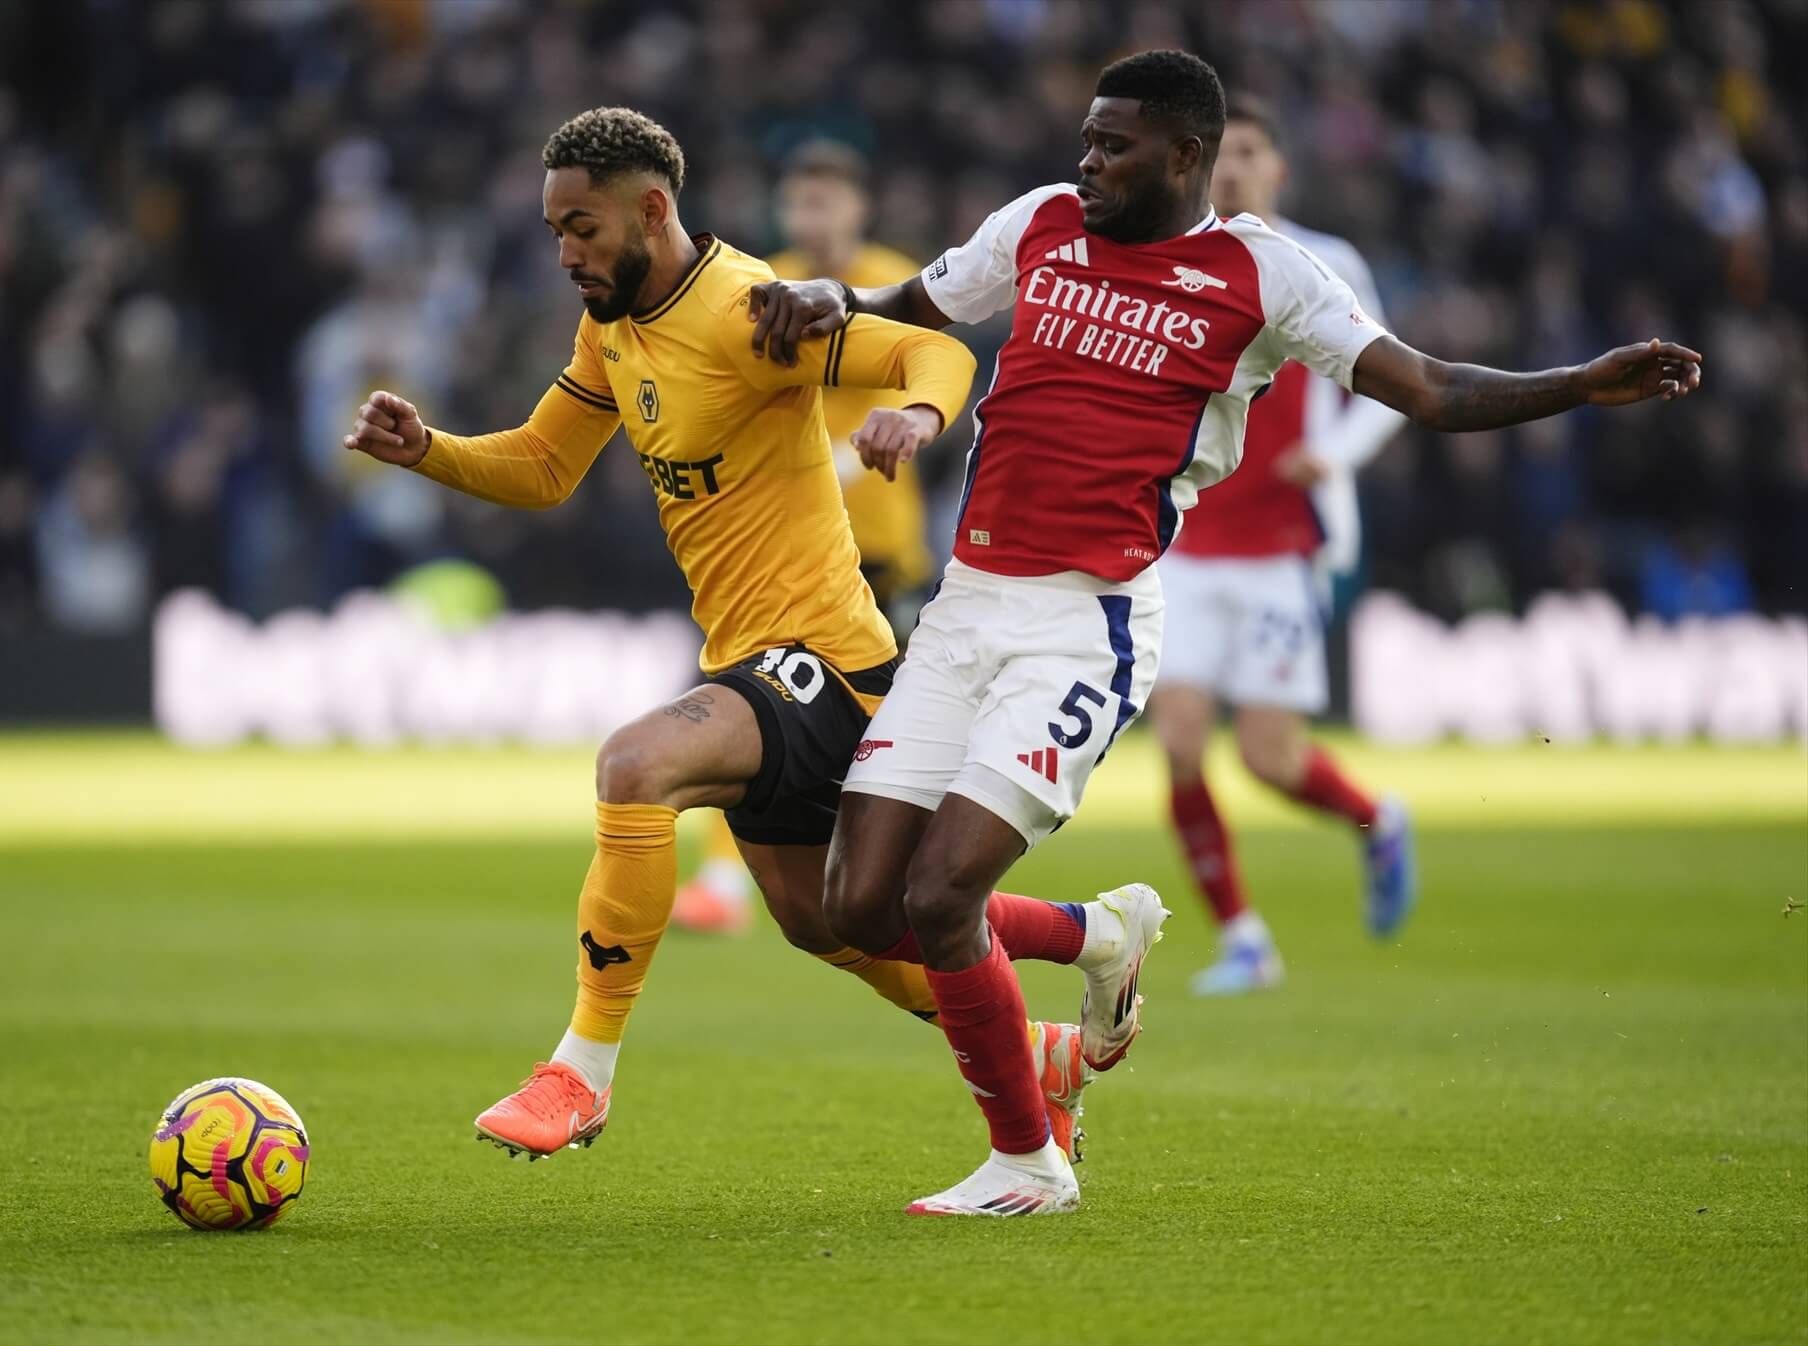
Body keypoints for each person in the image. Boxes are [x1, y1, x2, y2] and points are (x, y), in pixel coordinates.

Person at [747, 49, 1702, 1216]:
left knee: (941, 896)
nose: (1085, 163)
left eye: (1114, 145)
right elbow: (918, 305)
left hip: (1083, 625)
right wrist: (834, 302)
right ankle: (1101, 935)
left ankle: (1028, 1163)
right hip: (964, 608)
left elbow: (1432, 389)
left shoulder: (1265, 275)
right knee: (856, 905)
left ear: (1185, 154)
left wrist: (1577, 382)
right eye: (1086, 140)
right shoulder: (1041, 222)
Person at [342, 107, 1127, 1166]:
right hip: (749, 657)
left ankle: (580, 1069)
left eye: (581, 228)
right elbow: (544, 466)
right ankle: (1062, 996)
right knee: (828, 922)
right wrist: (428, 449)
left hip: (827, 660)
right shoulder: (611, 324)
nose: (565, 252)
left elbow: (932, 353)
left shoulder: (747, 311)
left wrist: (919, 420)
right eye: (554, 230)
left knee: (637, 762)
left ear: (650, 209)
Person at [1151, 95, 1413, 996]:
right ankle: (1245, 941)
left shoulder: (1324, 263)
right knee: (1180, 741)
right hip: (1184, 540)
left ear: (1278, 169)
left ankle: (1376, 820)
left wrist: (1329, 455)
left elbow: (1392, 383)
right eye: (1222, 152)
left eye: (1251, 153)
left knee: (1269, 757)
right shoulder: (1173, 254)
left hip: (1277, 547)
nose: (1234, 168)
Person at [673, 140, 936, 937]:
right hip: (784, 551)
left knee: (887, 730)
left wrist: (845, 465)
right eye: (800, 200)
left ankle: (900, 868)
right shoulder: (760, 284)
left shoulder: (893, 281)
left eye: (826, 200)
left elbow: (921, 381)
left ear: (859, 207)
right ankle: (726, 877)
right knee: (753, 709)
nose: (811, 215)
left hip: (878, 550)